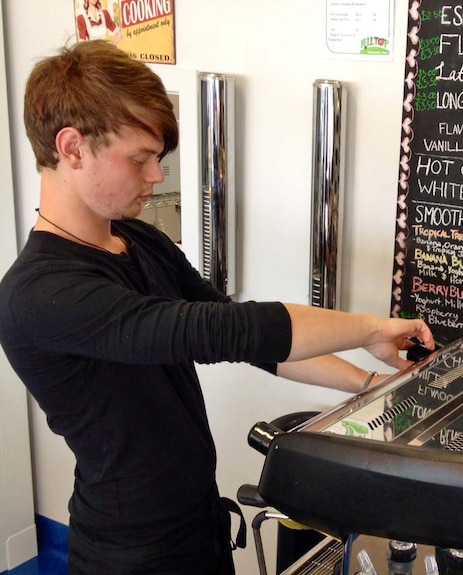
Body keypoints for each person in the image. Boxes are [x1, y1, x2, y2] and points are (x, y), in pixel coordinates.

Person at [0, 41, 434, 575]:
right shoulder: (39, 295)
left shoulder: (138, 239)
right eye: (140, 159)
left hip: (199, 522)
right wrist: (368, 329)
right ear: (71, 148)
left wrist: (370, 388)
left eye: (157, 159)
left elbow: (258, 345)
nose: (157, 176)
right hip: (130, 551)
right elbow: (226, 331)